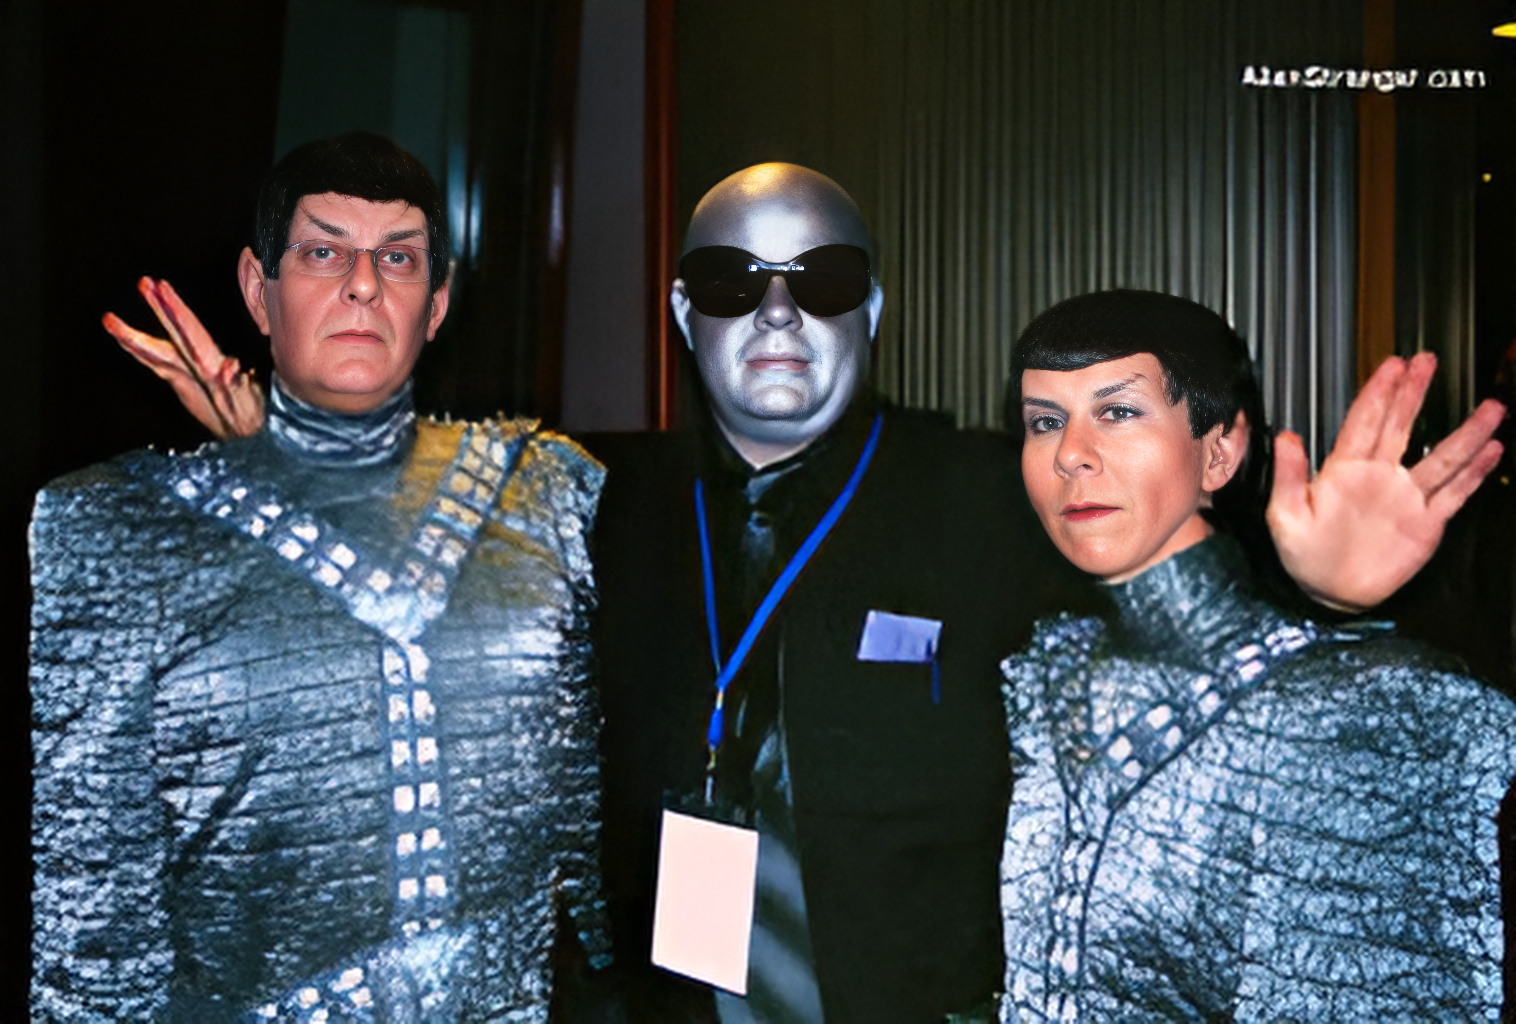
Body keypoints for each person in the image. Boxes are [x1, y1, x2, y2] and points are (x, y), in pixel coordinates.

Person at [109, 163, 1504, 1023]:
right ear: (683, 314)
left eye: (819, 278)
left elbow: (1188, 651)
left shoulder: (996, 489)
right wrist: (292, 463)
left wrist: (1332, 608)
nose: (776, 315)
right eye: (733, 281)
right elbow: (418, 575)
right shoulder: (585, 496)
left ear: (870, 312)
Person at [30, 132, 609, 1021]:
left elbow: (597, 825)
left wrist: (278, 467)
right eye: (323, 253)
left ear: (437, 302)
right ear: (257, 289)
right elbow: (93, 924)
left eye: (398, 258)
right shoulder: (117, 533)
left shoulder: (552, 494)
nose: (364, 285)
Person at [999, 289, 1516, 1021]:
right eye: (1045, 422)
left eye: (1118, 412)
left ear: (1219, 451)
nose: (1070, 455)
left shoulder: (1346, 716)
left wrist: (1334, 611)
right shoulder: (1041, 667)